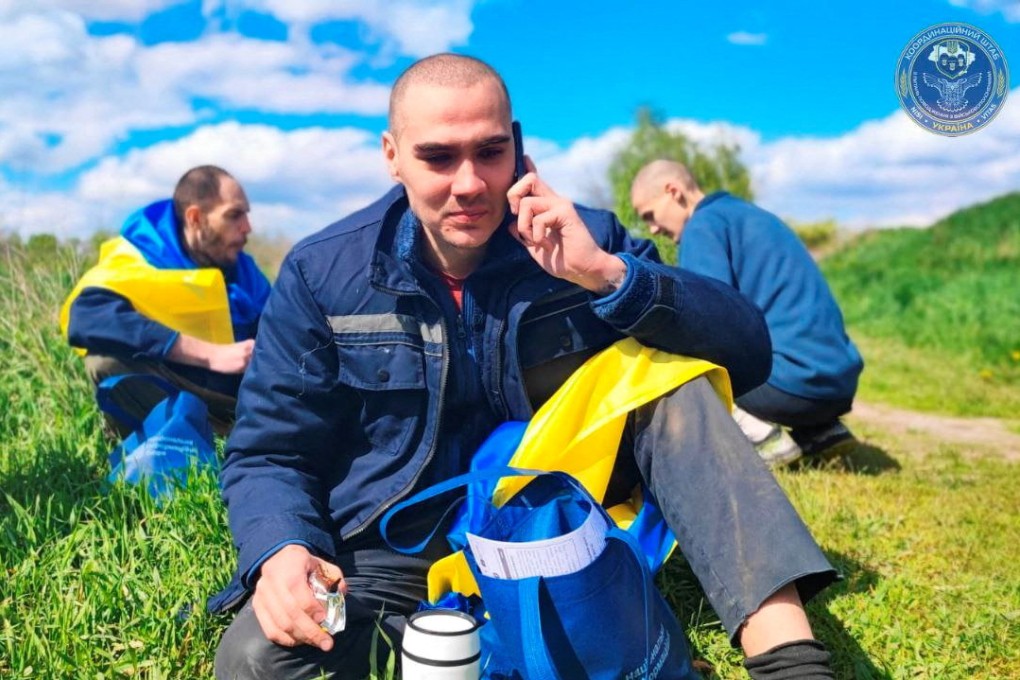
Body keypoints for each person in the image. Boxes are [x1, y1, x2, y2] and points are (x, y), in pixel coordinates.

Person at [212, 54, 840, 680]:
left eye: (489, 152)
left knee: (670, 388)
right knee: (256, 661)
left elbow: (750, 350)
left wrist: (606, 275)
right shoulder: (322, 273)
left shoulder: (588, 239)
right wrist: (281, 548)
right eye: (438, 157)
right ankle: (492, 640)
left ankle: (789, 662)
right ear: (392, 154)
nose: (469, 183)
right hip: (394, 553)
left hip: (562, 528)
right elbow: (270, 450)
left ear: (517, 147)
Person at [630, 160, 864, 467]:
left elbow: (700, 320)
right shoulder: (754, 216)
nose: (653, 229)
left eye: (650, 215)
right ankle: (822, 431)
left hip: (792, 385)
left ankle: (762, 436)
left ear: (673, 191)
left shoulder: (702, 226)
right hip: (837, 383)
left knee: (678, 356)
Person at [61, 165, 271, 436]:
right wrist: (211, 355)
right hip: (173, 389)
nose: (247, 227)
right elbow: (87, 318)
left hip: (237, 399)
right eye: (234, 215)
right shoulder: (140, 257)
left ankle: (239, 440)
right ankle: (160, 448)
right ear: (195, 218)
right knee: (104, 361)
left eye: (246, 215)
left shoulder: (243, 269)